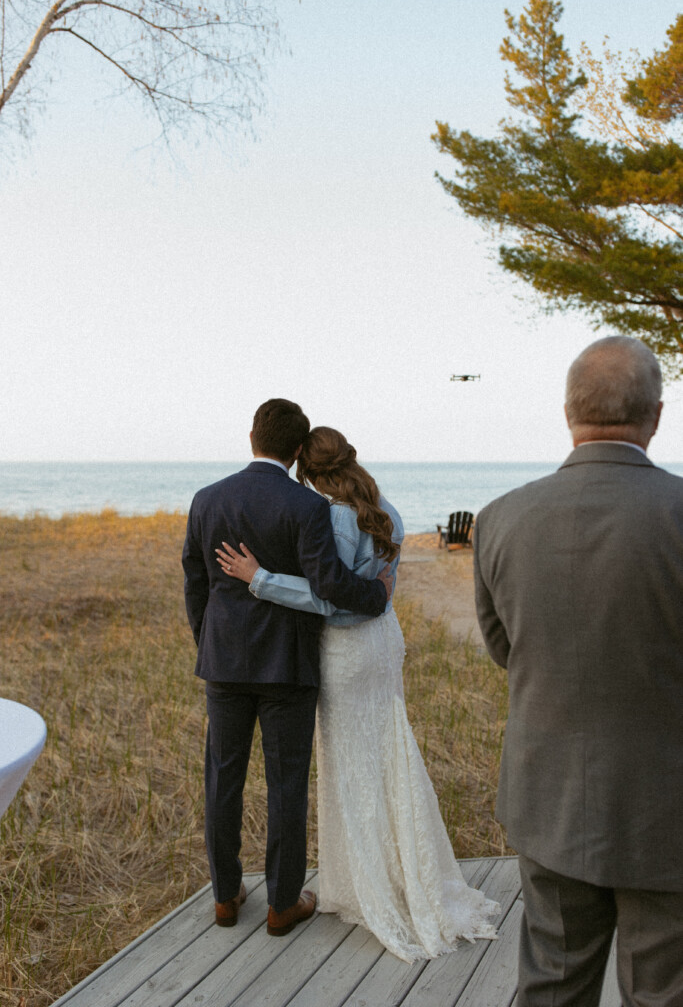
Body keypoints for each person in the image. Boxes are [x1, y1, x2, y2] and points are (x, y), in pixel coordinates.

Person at [217, 426, 499, 962]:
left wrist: (261, 578)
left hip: (347, 647)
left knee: (349, 763)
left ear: (307, 468)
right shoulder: (381, 506)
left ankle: (368, 882)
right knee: (389, 753)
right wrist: (373, 596)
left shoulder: (330, 516)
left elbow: (334, 603)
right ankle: (402, 870)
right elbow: (375, 591)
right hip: (382, 642)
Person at [473, 336, 683, 1007]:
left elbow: (506, 649)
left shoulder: (499, 518)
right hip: (666, 803)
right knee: (663, 991)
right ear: (653, 415)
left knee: (551, 983)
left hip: (546, 795)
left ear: (567, 412)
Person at [182, 400, 391, 937]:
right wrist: (376, 595)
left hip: (224, 665)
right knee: (286, 783)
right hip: (287, 665)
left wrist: (210, 640)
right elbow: (328, 584)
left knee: (223, 779)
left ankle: (226, 897)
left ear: (251, 434)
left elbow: (195, 581)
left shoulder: (207, 499)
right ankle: (281, 904)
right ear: (298, 450)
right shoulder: (306, 506)